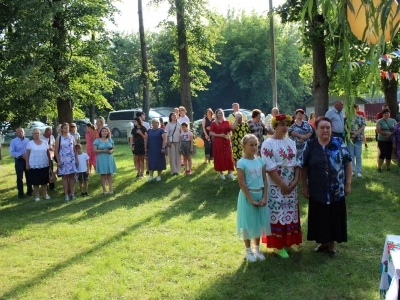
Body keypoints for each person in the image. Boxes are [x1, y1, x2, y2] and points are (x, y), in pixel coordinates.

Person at [301, 116, 352, 255]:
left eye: (328, 128)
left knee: (334, 216)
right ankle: (323, 242)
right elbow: (303, 167)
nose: (325, 130)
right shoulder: (310, 145)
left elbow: (347, 163)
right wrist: (304, 187)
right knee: (320, 217)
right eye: (322, 128)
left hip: (336, 190)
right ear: (316, 130)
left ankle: (331, 246)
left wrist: (347, 183)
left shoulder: (339, 142)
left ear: (331, 129)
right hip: (317, 190)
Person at [261, 114, 302, 258]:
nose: (285, 128)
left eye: (287, 125)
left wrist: (295, 181)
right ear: (275, 126)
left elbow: (297, 163)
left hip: (291, 184)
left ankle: (288, 241)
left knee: (289, 212)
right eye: (282, 125)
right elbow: (269, 166)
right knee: (277, 213)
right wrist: (282, 185)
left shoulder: (290, 142)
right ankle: (278, 245)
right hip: (276, 185)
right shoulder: (268, 143)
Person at [236, 134, 270, 262]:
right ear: (244, 146)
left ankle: (257, 248)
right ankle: (248, 250)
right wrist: (251, 199)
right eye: (251, 145)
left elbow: (265, 180)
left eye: (256, 144)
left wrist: (264, 197)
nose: (254, 147)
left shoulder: (260, 161)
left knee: (259, 223)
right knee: (248, 223)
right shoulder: (241, 162)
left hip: (260, 195)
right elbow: (242, 183)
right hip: (247, 196)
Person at [54, 123, 78, 201]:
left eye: (67, 128)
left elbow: (75, 149)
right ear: (62, 129)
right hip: (63, 160)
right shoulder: (59, 138)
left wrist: (76, 159)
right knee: (64, 177)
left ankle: (72, 193)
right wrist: (58, 161)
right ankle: (66, 194)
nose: (66, 129)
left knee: (71, 176)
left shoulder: (72, 137)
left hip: (71, 160)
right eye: (65, 128)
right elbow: (56, 150)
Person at [25, 129, 50, 201]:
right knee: (35, 182)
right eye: (35, 133)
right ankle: (37, 196)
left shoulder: (45, 142)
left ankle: (45, 195)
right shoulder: (30, 143)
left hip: (44, 164)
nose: (36, 135)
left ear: (40, 134)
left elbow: (48, 153)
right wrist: (27, 164)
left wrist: (50, 163)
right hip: (34, 165)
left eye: (38, 133)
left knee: (44, 181)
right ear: (33, 135)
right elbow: (27, 154)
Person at [210, 108, 235, 180]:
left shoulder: (226, 122)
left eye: (221, 113)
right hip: (218, 142)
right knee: (219, 156)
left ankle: (230, 173)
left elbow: (230, 129)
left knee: (228, 156)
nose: (220, 114)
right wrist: (220, 135)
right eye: (219, 113)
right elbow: (211, 133)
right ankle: (221, 173)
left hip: (226, 141)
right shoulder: (214, 123)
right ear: (216, 115)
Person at [9, 128, 33, 198]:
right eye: (19, 132)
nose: (20, 133)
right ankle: (21, 194)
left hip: (27, 160)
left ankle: (30, 191)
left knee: (29, 176)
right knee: (20, 177)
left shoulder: (28, 140)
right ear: (16, 133)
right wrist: (21, 155)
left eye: (22, 131)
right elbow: (11, 152)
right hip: (19, 160)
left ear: (24, 132)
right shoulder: (13, 141)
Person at [94, 127, 117, 194]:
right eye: (103, 131)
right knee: (103, 174)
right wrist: (103, 151)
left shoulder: (110, 140)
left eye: (105, 131)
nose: (104, 132)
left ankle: (110, 188)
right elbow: (95, 150)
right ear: (100, 133)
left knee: (109, 173)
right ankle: (104, 189)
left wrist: (111, 151)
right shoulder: (97, 140)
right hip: (101, 158)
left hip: (109, 158)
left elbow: (113, 149)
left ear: (108, 132)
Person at [347, 106, 366, 178]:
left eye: (354, 108)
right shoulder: (347, 118)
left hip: (358, 139)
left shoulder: (360, 117)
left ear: (356, 109)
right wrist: (353, 132)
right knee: (351, 155)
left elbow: (363, 126)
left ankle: (359, 171)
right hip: (350, 139)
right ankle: (352, 170)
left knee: (358, 155)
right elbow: (346, 128)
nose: (352, 110)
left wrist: (357, 132)